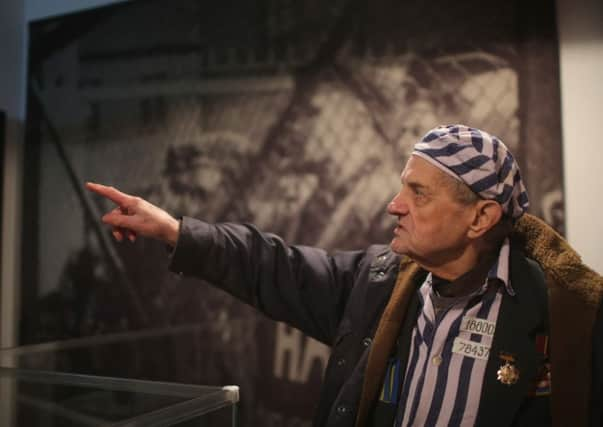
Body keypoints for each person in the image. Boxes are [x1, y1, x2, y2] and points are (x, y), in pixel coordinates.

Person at [86, 124, 602, 427]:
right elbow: (270, 264)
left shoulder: (568, 318)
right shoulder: (377, 284)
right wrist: (176, 231)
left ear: (481, 218)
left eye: (419, 193)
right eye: (403, 187)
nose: (394, 206)